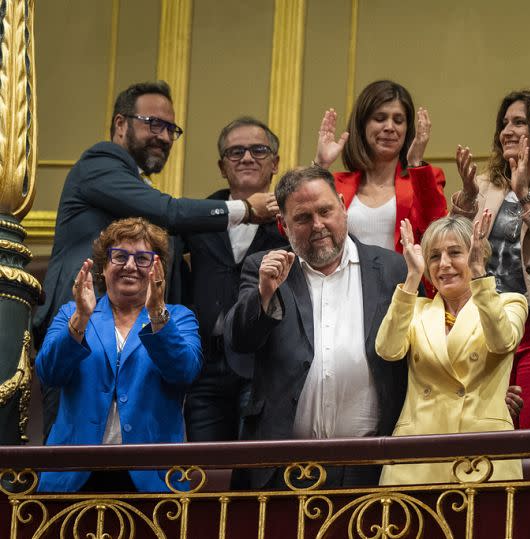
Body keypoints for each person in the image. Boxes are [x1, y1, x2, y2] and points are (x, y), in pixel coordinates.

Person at [34, 81, 275, 435]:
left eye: (170, 129)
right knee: (72, 440)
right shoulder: (101, 162)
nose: (163, 136)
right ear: (120, 124)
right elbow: (170, 212)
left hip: (149, 341)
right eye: (153, 123)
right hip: (85, 322)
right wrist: (244, 209)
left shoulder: (141, 188)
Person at [224, 165, 408, 490]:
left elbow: (420, 347)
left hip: (370, 466)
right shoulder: (264, 268)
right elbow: (238, 341)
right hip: (282, 467)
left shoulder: (391, 268)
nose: (318, 225)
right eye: (303, 218)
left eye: (325, 211)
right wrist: (265, 293)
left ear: (342, 205)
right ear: (283, 224)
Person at [35, 218, 202, 492]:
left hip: (151, 477)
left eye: (143, 258)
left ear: (156, 268)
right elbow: (49, 373)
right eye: (120, 256)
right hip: (74, 474)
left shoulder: (178, 318)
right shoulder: (71, 313)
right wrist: (82, 317)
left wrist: (157, 313)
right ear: (103, 266)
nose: (130, 266)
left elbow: (184, 373)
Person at [452, 89, 530, 428]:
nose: (506, 130)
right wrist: (465, 201)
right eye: (504, 123)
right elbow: (452, 251)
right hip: (483, 326)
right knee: (482, 433)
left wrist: (526, 196)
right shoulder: (485, 184)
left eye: (519, 122)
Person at [375, 215, 527, 485]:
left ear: (477, 254)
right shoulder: (417, 308)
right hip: (417, 459)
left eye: (455, 253)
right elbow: (388, 349)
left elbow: (501, 341)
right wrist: (412, 277)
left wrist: (480, 275)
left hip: (482, 457)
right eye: (434, 256)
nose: (444, 264)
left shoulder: (509, 303)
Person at [182, 117, 288, 442]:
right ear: (221, 166)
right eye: (235, 152)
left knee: (251, 474)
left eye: (258, 150)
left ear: (275, 163)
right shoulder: (200, 216)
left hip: (261, 364)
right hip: (205, 368)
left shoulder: (290, 222)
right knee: (204, 474)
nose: (246, 158)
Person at [313, 80, 447, 253]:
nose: (390, 127)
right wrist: (319, 166)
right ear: (362, 125)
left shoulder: (425, 179)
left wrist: (415, 163)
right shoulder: (336, 184)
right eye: (380, 118)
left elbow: (437, 229)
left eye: (398, 120)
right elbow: (295, 228)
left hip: (405, 279)